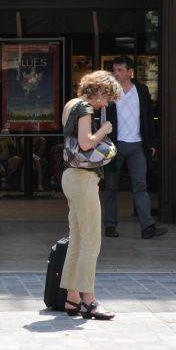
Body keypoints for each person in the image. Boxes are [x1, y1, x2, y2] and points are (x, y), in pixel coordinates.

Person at [59, 70, 122, 321]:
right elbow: (86, 143)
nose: (106, 103)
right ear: (99, 90)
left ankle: (71, 297)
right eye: (107, 97)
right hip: (83, 179)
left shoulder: (71, 104)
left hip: (70, 177)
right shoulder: (85, 108)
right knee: (91, 242)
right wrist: (103, 130)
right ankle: (89, 300)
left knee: (77, 239)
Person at [103, 55, 167, 240]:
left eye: (120, 70)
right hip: (116, 145)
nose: (116, 73)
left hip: (138, 145)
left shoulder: (142, 90)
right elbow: (103, 118)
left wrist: (153, 143)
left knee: (140, 186)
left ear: (130, 72)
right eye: (114, 70)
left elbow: (148, 119)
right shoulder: (109, 91)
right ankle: (110, 226)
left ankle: (148, 227)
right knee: (111, 187)